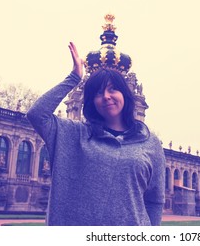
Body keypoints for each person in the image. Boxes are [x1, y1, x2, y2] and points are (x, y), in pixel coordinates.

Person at [27, 42, 166, 226]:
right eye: (98, 93)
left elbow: (155, 200)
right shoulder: (73, 134)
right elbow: (36, 114)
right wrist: (73, 78)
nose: (106, 96)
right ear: (91, 102)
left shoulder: (150, 143)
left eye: (112, 89)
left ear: (126, 94)